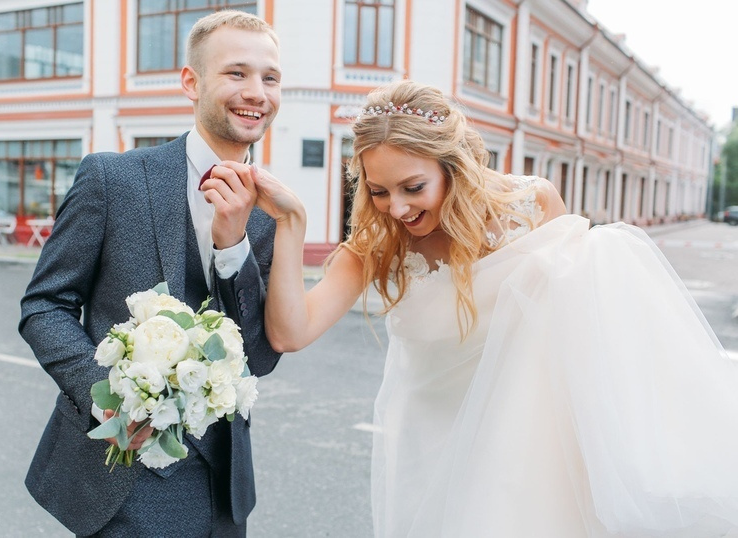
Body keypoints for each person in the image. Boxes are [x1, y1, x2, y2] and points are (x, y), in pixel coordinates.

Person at [246, 80, 738, 537]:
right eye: (378, 191)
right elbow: (292, 333)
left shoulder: (532, 204)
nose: (396, 208)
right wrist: (292, 223)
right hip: (430, 447)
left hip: (529, 450)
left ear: (453, 167)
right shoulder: (377, 245)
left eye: (412, 187)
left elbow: (583, 324)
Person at [19, 10, 282, 537]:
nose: (256, 91)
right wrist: (112, 399)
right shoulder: (112, 179)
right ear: (192, 81)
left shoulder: (270, 211)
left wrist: (234, 249)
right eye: (236, 73)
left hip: (225, 483)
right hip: (124, 474)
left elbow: (260, 354)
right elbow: (44, 305)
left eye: (269, 78)